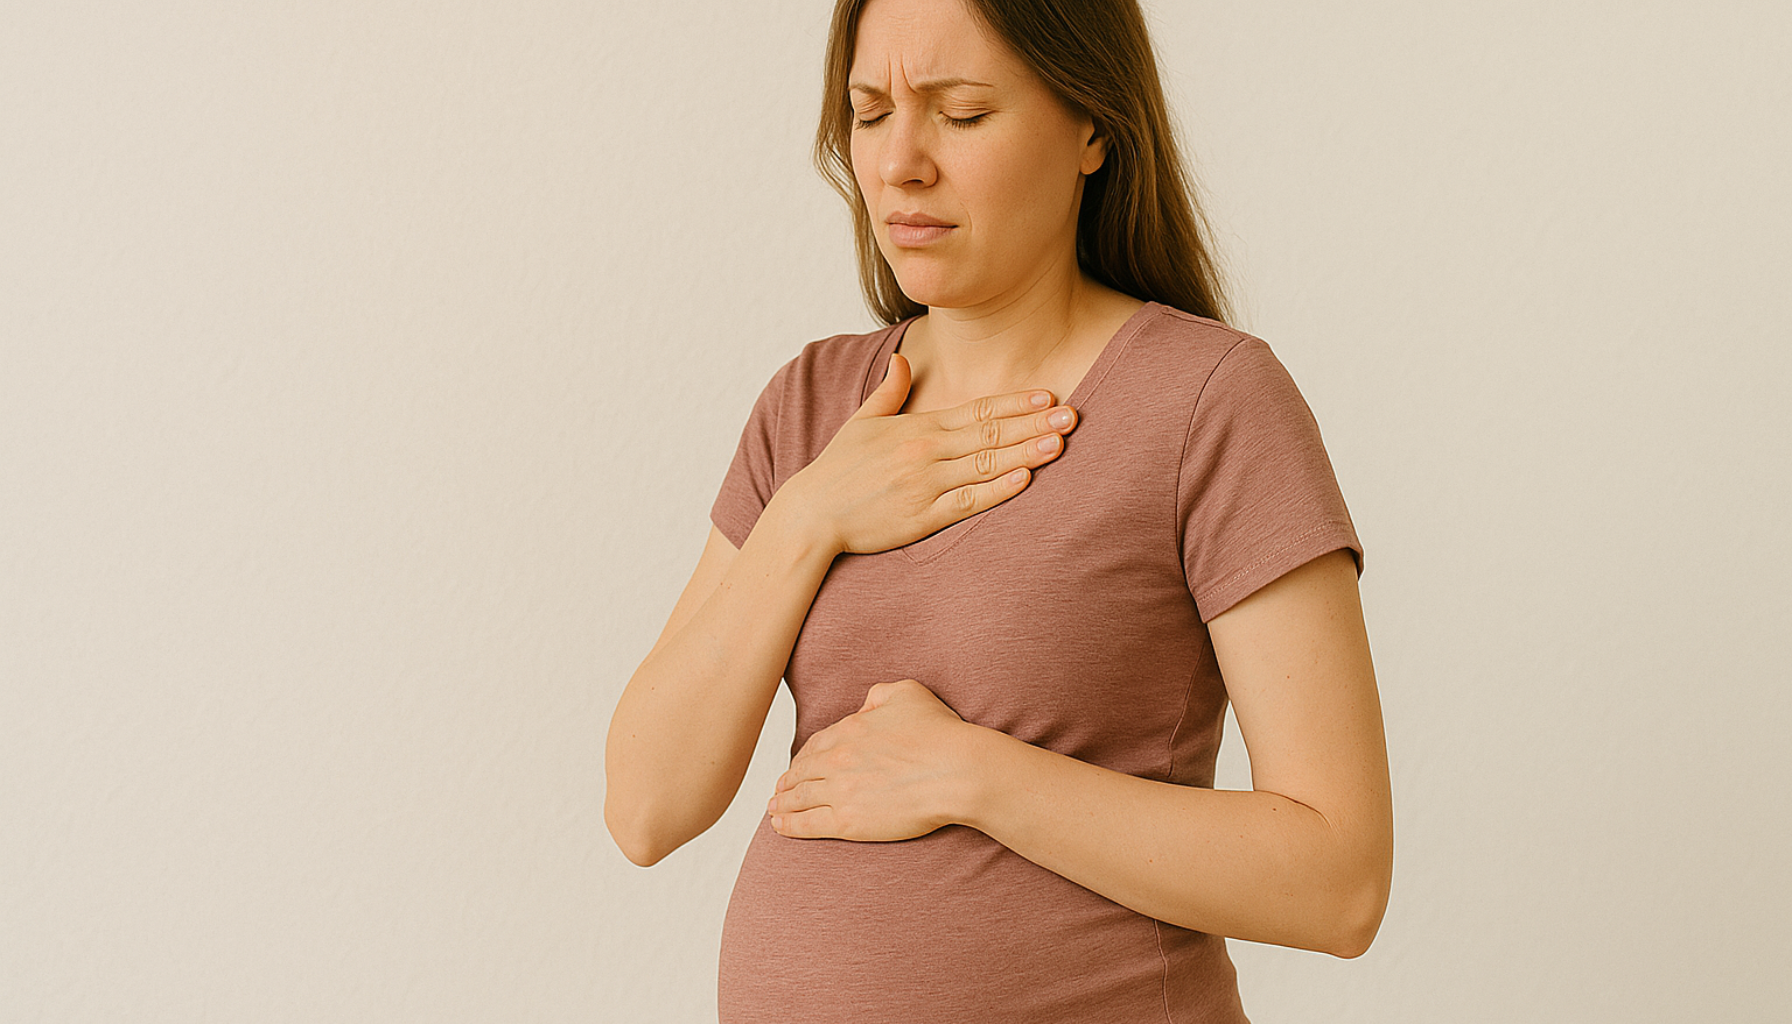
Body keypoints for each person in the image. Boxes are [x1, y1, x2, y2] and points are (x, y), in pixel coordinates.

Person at [605, 0, 1394, 1019]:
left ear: (1092, 127)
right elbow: (646, 807)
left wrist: (973, 775)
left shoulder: (1208, 403)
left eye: (962, 114)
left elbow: (1339, 883)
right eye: (871, 110)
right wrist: (810, 515)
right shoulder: (809, 408)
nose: (899, 164)